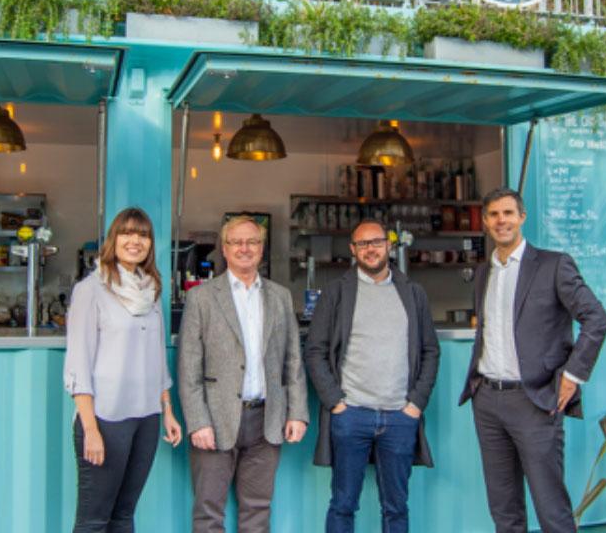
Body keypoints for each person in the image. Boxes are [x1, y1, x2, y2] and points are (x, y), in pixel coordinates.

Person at [458, 188, 606, 533]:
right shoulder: (484, 273)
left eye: (508, 213)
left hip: (535, 400)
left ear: (521, 218)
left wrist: (573, 375)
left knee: (551, 508)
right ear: (485, 222)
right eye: (494, 215)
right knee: (504, 508)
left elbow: (597, 319)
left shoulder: (554, 265)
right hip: (487, 400)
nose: (502, 221)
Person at [304, 219, 440, 533]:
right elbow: (315, 350)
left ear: (389, 245)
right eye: (363, 244)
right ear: (353, 250)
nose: (370, 249)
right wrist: (336, 402)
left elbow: (430, 351)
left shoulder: (412, 293)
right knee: (343, 504)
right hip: (351, 414)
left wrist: (415, 405)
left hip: (399, 416)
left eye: (376, 242)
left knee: (396, 508)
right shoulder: (337, 292)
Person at [178, 214, 309, 533]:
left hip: (267, 418)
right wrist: (198, 421)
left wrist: (297, 414)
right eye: (237, 242)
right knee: (209, 512)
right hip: (216, 418)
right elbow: (188, 366)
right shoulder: (202, 297)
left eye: (252, 242)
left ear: (261, 249)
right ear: (224, 249)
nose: (244, 248)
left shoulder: (280, 296)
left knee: (258, 511)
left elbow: (293, 359)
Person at [64, 207, 182, 533]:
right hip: (105, 418)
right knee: (93, 521)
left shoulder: (152, 289)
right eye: (128, 233)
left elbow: (156, 357)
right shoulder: (91, 290)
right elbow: (78, 365)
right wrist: (90, 429)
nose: (135, 241)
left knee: (124, 516)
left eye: (143, 235)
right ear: (114, 239)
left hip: (146, 418)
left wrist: (167, 411)